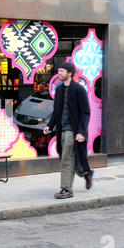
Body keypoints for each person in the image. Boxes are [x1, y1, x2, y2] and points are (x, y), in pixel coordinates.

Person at [43, 62, 94, 199]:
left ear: (70, 73)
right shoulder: (59, 89)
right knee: (68, 157)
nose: (59, 73)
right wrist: (50, 125)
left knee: (66, 158)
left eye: (62, 71)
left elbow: (85, 112)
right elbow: (56, 111)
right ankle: (86, 173)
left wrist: (81, 131)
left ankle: (66, 189)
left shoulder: (79, 90)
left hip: (74, 130)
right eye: (59, 71)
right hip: (61, 129)